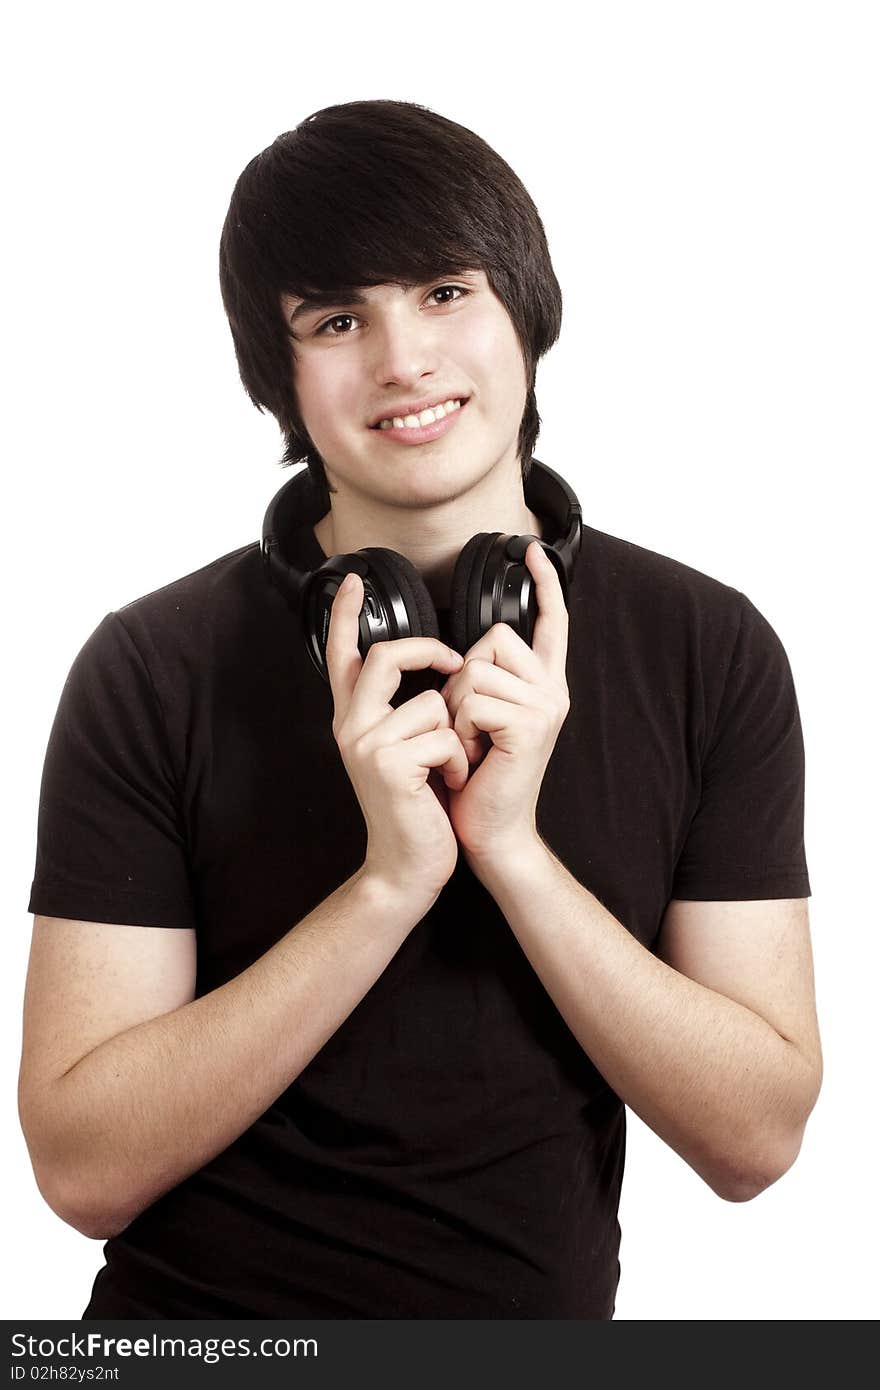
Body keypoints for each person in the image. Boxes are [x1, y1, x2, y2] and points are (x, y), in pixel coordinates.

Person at [18, 99, 822, 1320]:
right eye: (339, 319)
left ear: (524, 310)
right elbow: (81, 1168)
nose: (403, 360)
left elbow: (753, 1141)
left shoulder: (709, 649)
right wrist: (387, 883)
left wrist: (511, 854)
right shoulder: (152, 666)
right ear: (276, 374)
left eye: (445, 292)